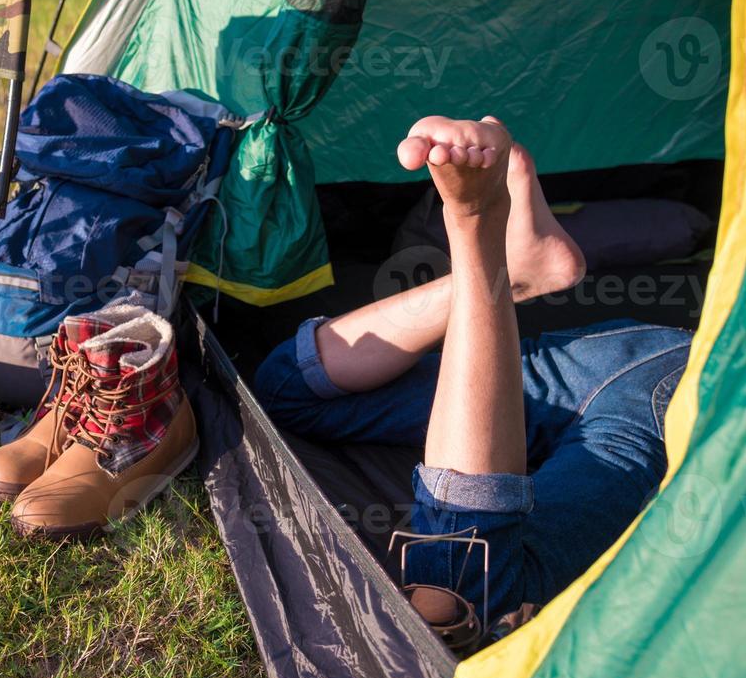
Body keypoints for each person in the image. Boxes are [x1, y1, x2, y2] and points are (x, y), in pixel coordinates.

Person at [253, 116, 692, 648]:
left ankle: (508, 264)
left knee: (288, 389)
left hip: (658, 366)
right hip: (663, 364)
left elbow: (457, 601)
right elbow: (458, 599)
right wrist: (472, 220)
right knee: (460, 594)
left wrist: (478, 229)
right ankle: (490, 246)